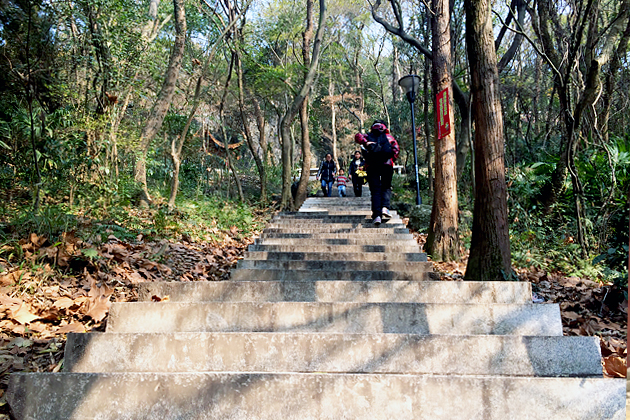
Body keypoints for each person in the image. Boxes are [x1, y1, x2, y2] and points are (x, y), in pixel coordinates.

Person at [355, 120, 400, 225]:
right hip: (387, 166)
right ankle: (385, 207)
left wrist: (366, 143)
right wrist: (391, 159)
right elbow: (396, 150)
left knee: (375, 191)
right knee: (386, 187)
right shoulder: (389, 137)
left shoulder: (368, 136)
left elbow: (357, 137)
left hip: (372, 166)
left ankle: (377, 216)